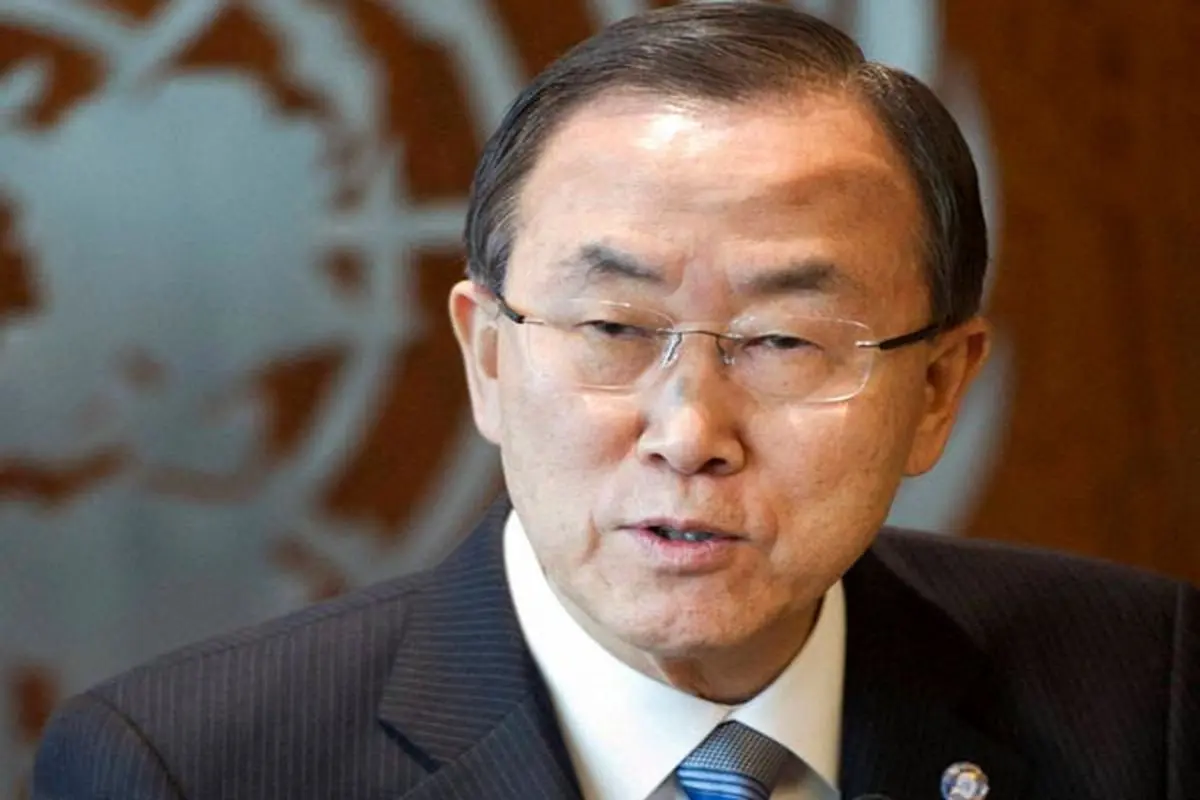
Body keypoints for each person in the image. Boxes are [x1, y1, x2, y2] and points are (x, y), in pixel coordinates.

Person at [32, 3, 1197, 799]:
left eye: (784, 339)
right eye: (612, 329)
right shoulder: (186, 766)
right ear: (489, 356)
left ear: (937, 388)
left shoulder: (1145, 691)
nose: (689, 433)